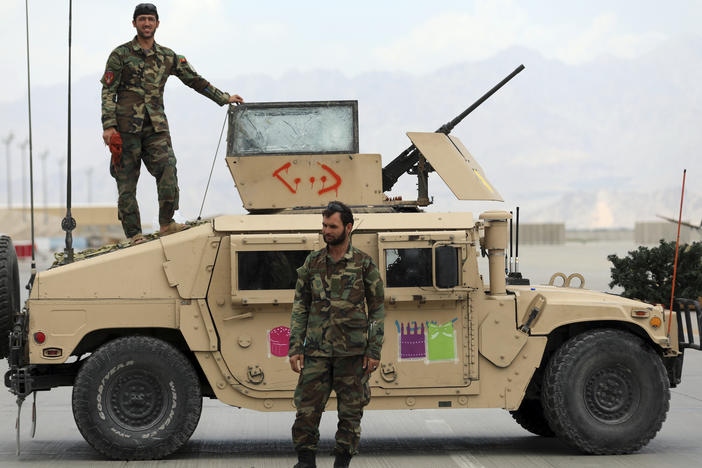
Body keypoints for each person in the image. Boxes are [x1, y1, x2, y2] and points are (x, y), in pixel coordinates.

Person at [100, 3, 244, 244]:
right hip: (126, 131)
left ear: (157, 23)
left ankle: (167, 223)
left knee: (168, 169)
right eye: (142, 19)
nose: (146, 23)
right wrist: (109, 126)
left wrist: (223, 98)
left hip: (156, 129)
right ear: (134, 23)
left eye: (151, 19)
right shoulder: (120, 55)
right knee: (126, 185)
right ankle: (134, 234)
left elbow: (194, 80)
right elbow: (108, 91)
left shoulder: (168, 56)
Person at [288, 201, 385, 468]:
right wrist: (296, 346)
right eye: (324, 225)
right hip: (316, 353)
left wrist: (373, 349)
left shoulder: (364, 265)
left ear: (348, 227)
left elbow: (377, 309)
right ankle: (305, 462)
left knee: (351, 414)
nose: (326, 231)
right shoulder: (313, 262)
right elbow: (300, 306)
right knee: (306, 411)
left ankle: (342, 463)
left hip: (352, 355)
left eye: (332, 226)